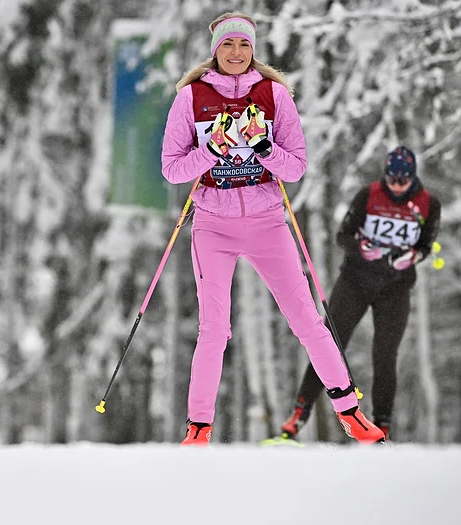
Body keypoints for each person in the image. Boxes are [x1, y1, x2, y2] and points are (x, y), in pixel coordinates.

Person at [160, 11, 385, 446]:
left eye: (244, 45)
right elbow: (172, 169)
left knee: (307, 319)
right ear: (215, 50)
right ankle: (199, 428)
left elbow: (296, 166)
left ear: (253, 50)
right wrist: (210, 151)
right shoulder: (190, 98)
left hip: (267, 222)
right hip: (213, 225)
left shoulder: (274, 95)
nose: (237, 53)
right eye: (228, 45)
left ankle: (351, 413)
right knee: (214, 329)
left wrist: (263, 145)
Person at [276, 146, 441, 442]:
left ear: (412, 178)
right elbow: (343, 236)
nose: (396, 186)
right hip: (356, 281)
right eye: (392, 179)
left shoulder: (429, 203)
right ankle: (300, 412)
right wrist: (361, 247)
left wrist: (413, 256)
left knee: (385, 356)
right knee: (329, 344)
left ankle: (382, 426)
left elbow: (426, 245)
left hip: (395, 287)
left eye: (403, 181)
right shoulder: (369, 194)